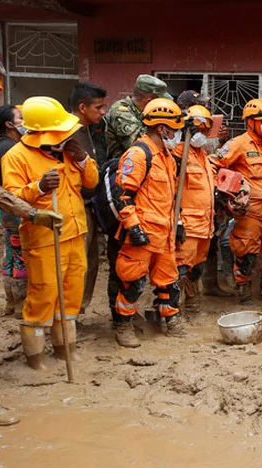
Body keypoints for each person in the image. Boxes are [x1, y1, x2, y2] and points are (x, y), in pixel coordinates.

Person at [2, 96, 97, 370]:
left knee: (70, 296)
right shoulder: (16, 157)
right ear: (40, 131)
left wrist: (82, 158)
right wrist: (40, 187)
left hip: (75, 233)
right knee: (43, 296)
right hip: (44, 238)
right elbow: (11, 198)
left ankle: (66, 350)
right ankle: (36, 359)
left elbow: (91, 181)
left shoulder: (68, 151)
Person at [113, 98, 185, 347]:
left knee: (168, 280)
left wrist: (179, 223)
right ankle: (123, 325)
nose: (177, 134)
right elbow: (122, 195)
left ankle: (171, 320)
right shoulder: (138, 154)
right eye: (175, 129)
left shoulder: (166, 156)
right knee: (132, 281)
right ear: (162, 128)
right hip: (142, 232)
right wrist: (132, 227)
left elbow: (172, 197)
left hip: (164, 232)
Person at [103, 75, 169, 329]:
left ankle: (128, 312)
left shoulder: (142, 115)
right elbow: (142, 144)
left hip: (146, 185)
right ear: (150, 99)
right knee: (124, 258)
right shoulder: (121, 112)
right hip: (120, 184)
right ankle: (118, 316)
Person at [212, 99, 262, 305]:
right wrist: (224, 194)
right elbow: (214, 165)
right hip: (250, 211)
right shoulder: (238, 144)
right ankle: (244, 292)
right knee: (245, 251)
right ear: (250, 122)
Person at [173, 105, 217, 316]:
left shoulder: (202, 155)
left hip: (205, 225)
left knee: (196, 269)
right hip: (187, 226)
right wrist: (177, 222)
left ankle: (192, 306)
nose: (205, 134)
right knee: (180, 270)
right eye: (201, 129)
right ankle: (174, 312)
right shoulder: (177, 155)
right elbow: (170, 191)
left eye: (207, 130)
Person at [69, 82, 108, 314]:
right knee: (78, 264)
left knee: (90, 261)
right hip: (76, 208)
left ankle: (77, 313)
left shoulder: (89, 130)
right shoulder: (69, 133)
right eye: (99, 107)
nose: (103, 112)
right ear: (82, 107)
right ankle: (69, 316)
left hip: (89, 205)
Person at [0, 104, 28, 316]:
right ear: (9, 124)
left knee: (10, 251)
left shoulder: (1, 145)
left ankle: (10, 301)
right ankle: (20, 303)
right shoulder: (11, 149)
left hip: (3, 207)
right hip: (14, 205)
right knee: (22, 253)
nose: (24, 121)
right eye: (20, 118)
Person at [105, 75, 170, 160]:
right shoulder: (121, 112)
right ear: (149, 101)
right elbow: (140, 144)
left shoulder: (143, 111)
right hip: (122, 166)